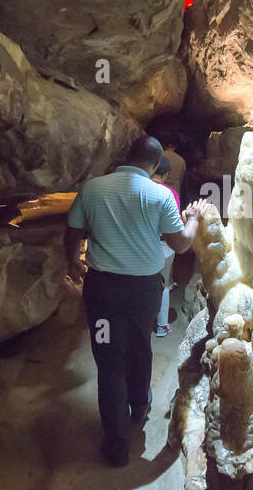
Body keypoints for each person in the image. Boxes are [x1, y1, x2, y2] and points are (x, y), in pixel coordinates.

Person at [65, 136, 208, 466]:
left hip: (102, 290)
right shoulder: (161, 195)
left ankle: (116, 448)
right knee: (140, 344)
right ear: (157, 166)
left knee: (109, 360)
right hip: (144, 289)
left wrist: (71, 261)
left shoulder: (92, 188)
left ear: (125, 155)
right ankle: (139, 405)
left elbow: (72, 230)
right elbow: (181, 244)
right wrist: (194, 218)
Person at [150, 157, 182, 337]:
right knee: (163, 284)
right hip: (163, 245)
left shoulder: (138, 189)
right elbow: (174, 224)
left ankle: (140, 322)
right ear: (167, 174)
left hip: (142, 243)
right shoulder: (170, 193)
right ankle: (162, 325)